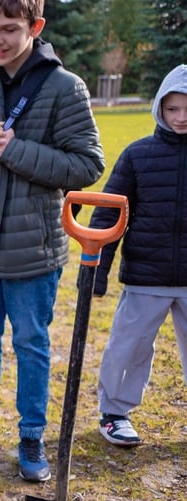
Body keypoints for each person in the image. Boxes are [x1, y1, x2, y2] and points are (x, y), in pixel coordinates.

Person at [0, 0, 104, 482]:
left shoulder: (65, 87)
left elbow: (87, 165)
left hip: (34, 246)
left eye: (8, 29)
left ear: (36, 27)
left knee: (31, 344)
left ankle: (31, 437)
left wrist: (14, 150)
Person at [86, 64, 187, 448]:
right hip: (146, 275)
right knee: (129, 345)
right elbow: (109, 213)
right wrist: (97, 271)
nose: (181, 118)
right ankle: (114, 413)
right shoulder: (138, 155)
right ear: (160, 108)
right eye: (173, 108)